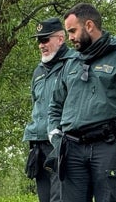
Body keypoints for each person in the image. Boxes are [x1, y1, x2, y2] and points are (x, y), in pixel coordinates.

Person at [48, 3, 116, 202]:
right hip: (72, 150)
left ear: (89, 26)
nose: (70, 38)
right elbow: (55, 106)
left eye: (73, 31)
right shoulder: (70, 64)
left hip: (108, 146)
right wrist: (57, 139)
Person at [23, 17, 78, 202]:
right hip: (39, 143)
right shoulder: (37, 71)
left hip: (62, 143)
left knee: (60, 198)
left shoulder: (73, 63)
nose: (41, 45)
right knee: (45, 198)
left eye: (45, 39)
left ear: (60, 39)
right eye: (39, 40)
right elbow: (36, 106)